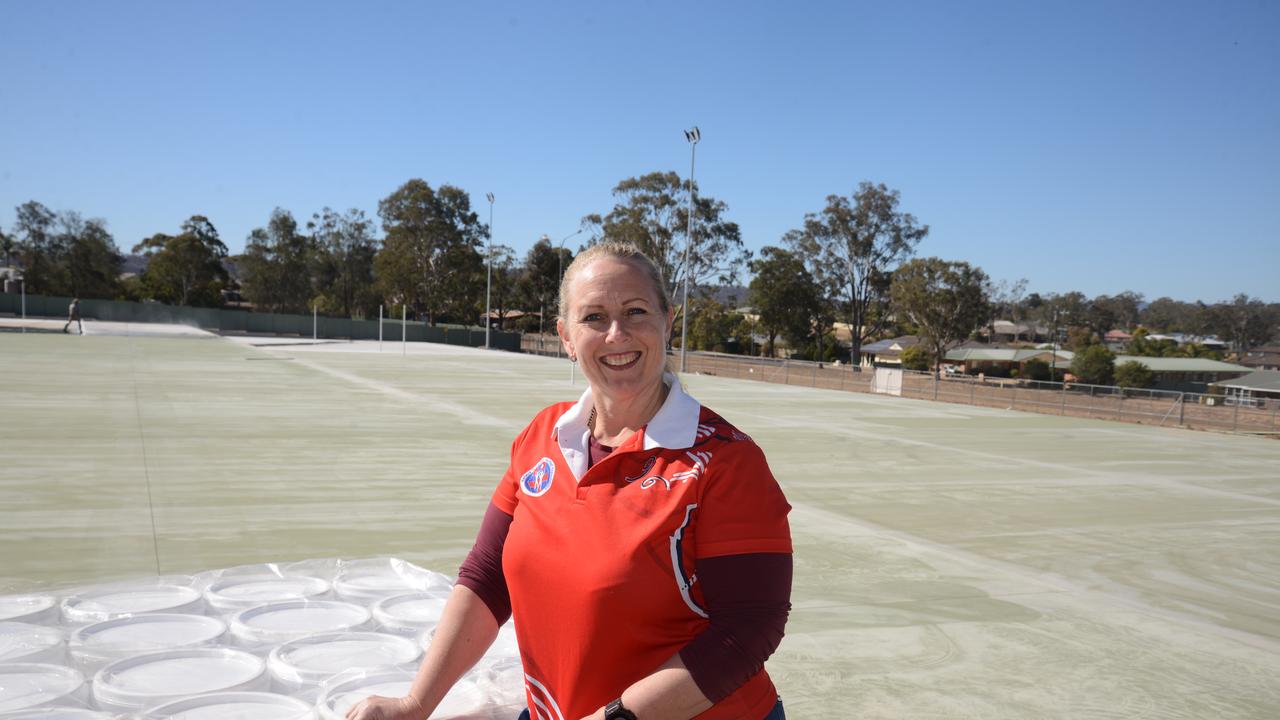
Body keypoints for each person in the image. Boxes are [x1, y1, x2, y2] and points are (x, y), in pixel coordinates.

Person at [347, 241, 793, 720]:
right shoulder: (542, 435)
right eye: (594, 318)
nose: (616, 334)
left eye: (636, 311)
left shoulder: (725, 460)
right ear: (565, 336)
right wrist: (416, 703)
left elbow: (748, 629)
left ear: (667, 321)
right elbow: (486, 576)